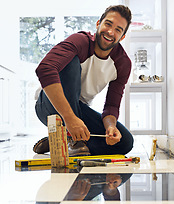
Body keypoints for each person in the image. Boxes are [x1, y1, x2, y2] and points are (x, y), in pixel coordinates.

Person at [33, 5, 134, 156]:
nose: (111, 32)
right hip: (49, 105)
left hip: (79, 110)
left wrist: (111, 127)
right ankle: (71, 137)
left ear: (122, 37)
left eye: (118, 30)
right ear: (98, 24)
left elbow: (112, 105)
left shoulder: (122, 63)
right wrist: (70, 119)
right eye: (108, 24)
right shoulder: (80, 41)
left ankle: (62, 140)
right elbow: (45, 68)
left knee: (124, 142)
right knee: (70, 61)